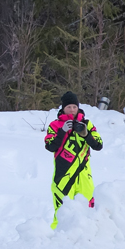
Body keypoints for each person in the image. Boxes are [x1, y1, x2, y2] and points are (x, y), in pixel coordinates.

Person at [44, 91, 104, 229]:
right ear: (63, 108)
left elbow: (98, 145)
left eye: (74, 107)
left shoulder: (87, 124)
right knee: (62, 211)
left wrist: (86, 134)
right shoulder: (55, 125)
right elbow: (50, 146)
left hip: (84, 175)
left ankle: (90, 235)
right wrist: (62, 132)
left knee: (89, 209)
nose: (72, 110)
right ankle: (56, 238)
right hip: (63, 176)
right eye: (69, 107)